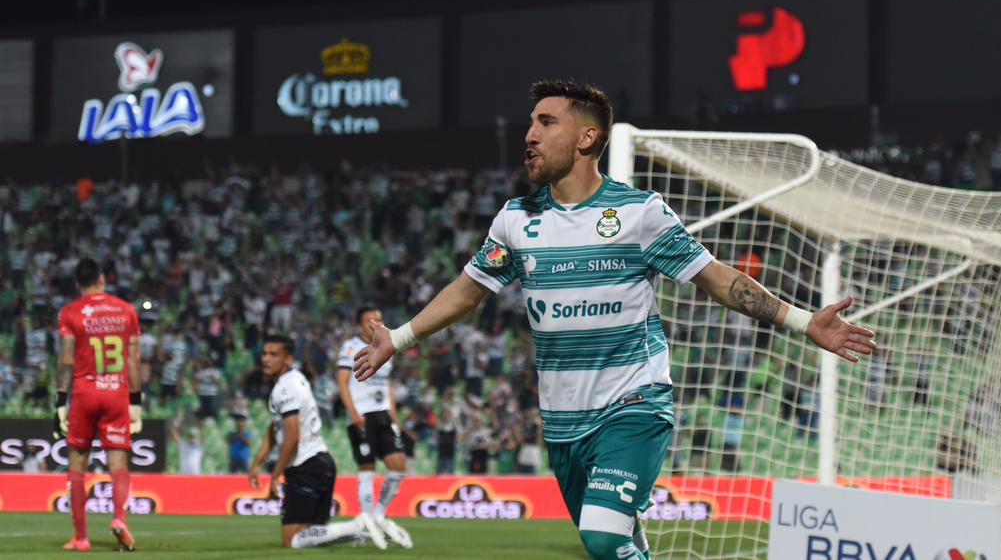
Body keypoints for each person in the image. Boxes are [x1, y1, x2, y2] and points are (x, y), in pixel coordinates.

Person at [353, 80, 877, 560]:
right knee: (615, 544)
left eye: (546, 122)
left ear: (587, 138)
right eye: (531, 123)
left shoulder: (639, 212)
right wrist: (397, 338)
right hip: (562, 422)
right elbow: (469, 289)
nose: (529, 135)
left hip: (633, 405)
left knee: (603, 539)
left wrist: (803, 321)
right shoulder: (516, 218)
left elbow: (716, 277)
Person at [247, 335, 387, 549]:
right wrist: (257, 462)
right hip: (321, 463)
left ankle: (357, 526)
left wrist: (276, 475)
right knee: (313, 536)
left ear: (288, 359)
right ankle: (360, 528)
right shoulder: (295, 378)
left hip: (306, 467)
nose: (266, 359)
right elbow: (276, 427)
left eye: (273, 354)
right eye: (265, 353)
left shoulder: (285, 388)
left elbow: (292, 435)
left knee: (292, 539)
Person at [53, 258, 142, 552]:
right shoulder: (126, 311)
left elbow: (66, 359)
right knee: (118, 462)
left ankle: (81, 537)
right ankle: (119, 519)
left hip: (84, 393)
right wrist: (136, 401)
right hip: (116, 393)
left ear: (78, 284)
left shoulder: (70, 312)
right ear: (102, 279)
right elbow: (133, 360)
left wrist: (60, 400)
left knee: (77, 463)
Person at [336, 306, 414, 549]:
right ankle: (367, 524)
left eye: (379, 320)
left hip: (383, 415)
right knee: (366, 469)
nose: (376, 324)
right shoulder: (350, 346)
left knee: (398, 465)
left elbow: (386, 382)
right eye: (371, 321)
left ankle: (377, 516)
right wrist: (353, 413)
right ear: (359, 326)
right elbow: (342, 382)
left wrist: (393, 413)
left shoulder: (387, 344)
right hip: (361, 414)